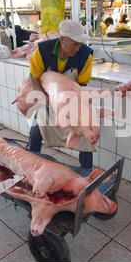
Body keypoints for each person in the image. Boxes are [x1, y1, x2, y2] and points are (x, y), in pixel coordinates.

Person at [28, 20, 94, 169]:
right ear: (63, 40)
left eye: (80, 44)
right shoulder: (43, 50)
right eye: (75, 44)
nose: (78, 48)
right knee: (35, 134)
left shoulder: (85, 55)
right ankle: (30, 167)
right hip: (47, 97)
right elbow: (33, 77)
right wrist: (44, 98)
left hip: (71, 100)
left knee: (84, 139)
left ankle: (86, 173)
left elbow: (82, 85)